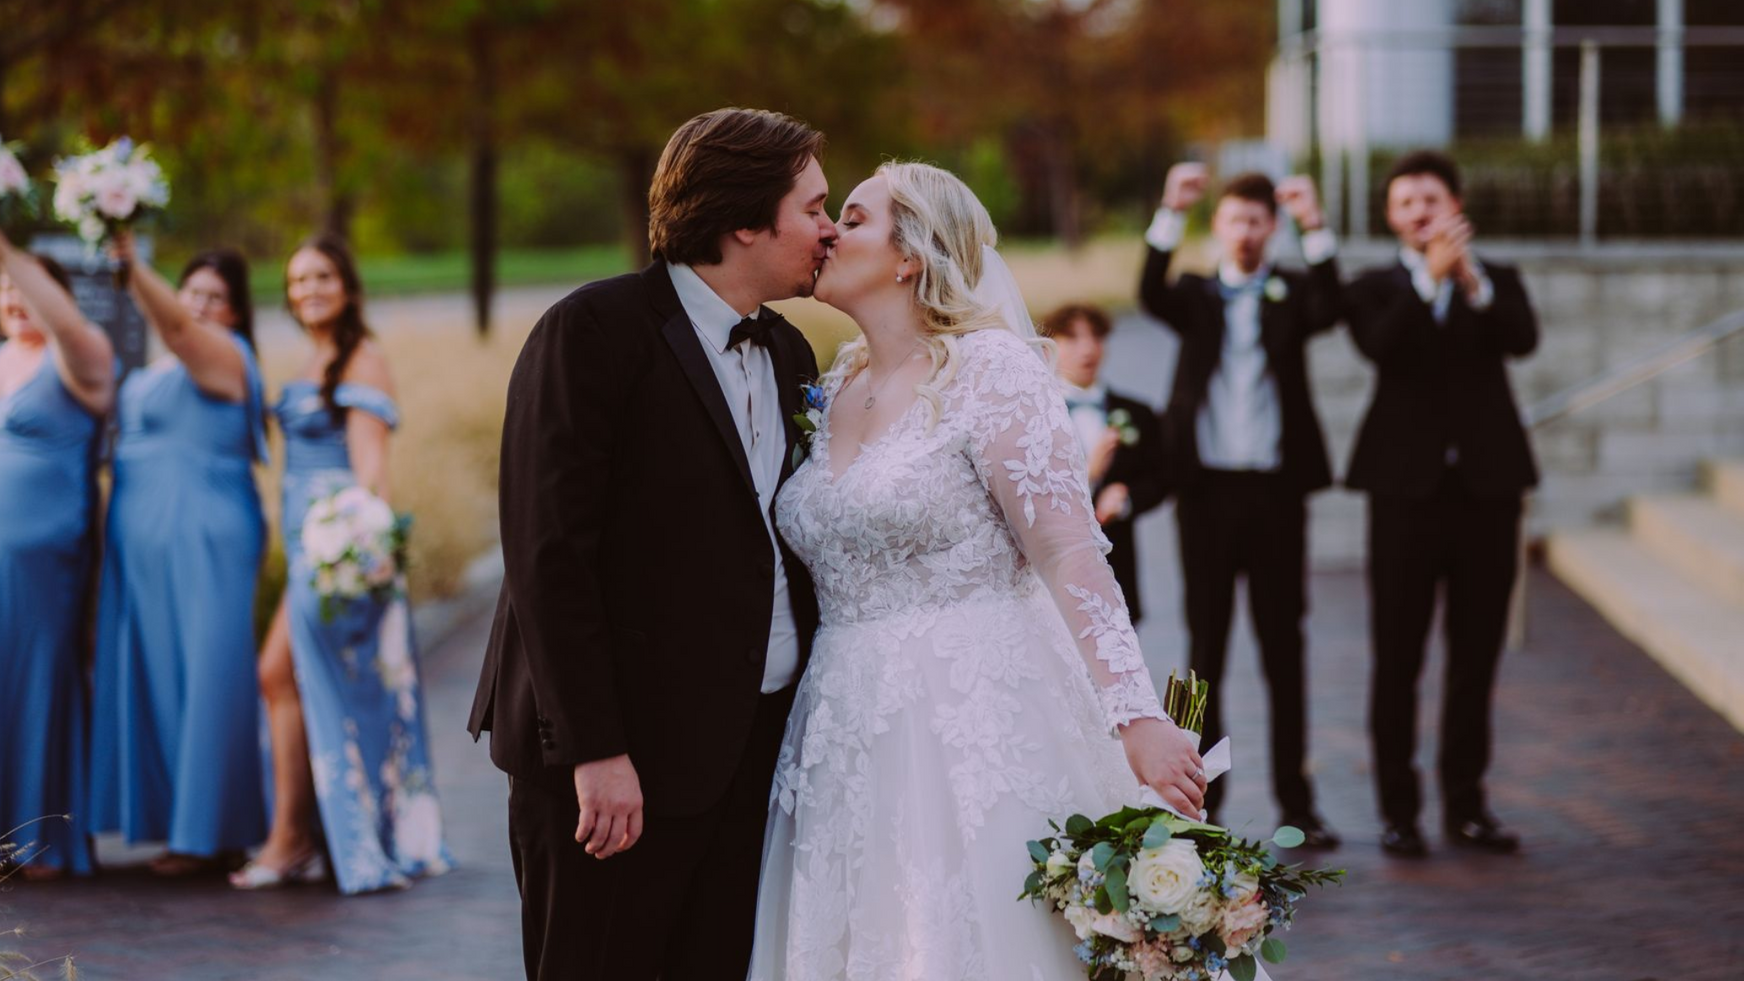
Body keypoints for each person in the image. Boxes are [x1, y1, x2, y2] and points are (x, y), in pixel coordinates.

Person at [749, 161, 1206, 978]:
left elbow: (1068, 549)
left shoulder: (990, 370)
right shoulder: (837, 378)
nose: (826, 231)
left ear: (910, 254)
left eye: (851, 218)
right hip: (843, 727)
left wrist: (1134, 713)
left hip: (979, 713)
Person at [468, 107, 830, 981]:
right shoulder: (591, 333)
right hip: (612, 767)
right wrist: (595, 748)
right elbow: (548, 554)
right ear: (746, 221)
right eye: (814, 207)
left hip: (745, 755)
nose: (829, 228)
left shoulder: (790, 353)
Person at [234, 233, 451, 893]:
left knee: (277, 674)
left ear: (349, 287)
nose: (308, 290)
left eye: (322, 277)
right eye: (298, 281)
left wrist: (352, 553)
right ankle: (304, 834)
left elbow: (371, 475)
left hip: (336, 552)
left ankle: (289, 839)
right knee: (286, 680)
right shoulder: (314, 356)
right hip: (306, 546)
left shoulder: (361, 357)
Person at [1137, 166, 1341, 845]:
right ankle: (1198, 801)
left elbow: (1332, 306)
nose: (1247, 232)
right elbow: (1147, 293)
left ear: (1270, 228)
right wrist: (1170, 211)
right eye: (1235, 220)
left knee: (1285, 647)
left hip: (1277, 493)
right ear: (1218, 227)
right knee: (1204, 651)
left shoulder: (1294, 293)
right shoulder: (1195, 295)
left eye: (1258, 221)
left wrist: (1316, 224)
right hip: (1207, 494)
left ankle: (1298, 800)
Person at [1345, 150, 1538, 858]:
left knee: (1476, 655)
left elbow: (1521, 338)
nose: (1420, 211)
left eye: (1431, 198)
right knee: (1398, 655)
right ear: (1392, 218)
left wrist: (1470, 281)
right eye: (1406, 203)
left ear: (1455, 204)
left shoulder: (1499, 281)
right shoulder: (1373, 287)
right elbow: (1383, 349)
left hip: (1488, 492)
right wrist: (1427, 281)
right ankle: (1399, 810)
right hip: (1403, 497)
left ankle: (1467, 805)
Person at [90, 233, 268, 876]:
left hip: (207, 532)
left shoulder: (225, 355)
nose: (198, 305)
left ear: (237, 313)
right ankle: (178, 826)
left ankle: (211, 833)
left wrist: (131, 264)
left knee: (209, 674)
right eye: (193, 291)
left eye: (216, 298)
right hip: (140, 539)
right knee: (160, 675)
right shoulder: (153, 368)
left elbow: (174, 327)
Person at [0, 231, 115, 879]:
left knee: (40, 682)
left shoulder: (79, 359)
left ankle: (40, 838)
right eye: (6, 288)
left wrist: (6, 240)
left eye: (29, 288)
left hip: (48, 562)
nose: (16, 298)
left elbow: (66, 327)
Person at [1039, 302, 1168, 622]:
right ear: (1048, 348)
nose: (1088, 349)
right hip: (1053, 576)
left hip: (1117, 569)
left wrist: (1127, 498)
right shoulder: (1035, 416)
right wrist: (1090, 473)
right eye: (1072, 337)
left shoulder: (1136, 412)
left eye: (1096, 337)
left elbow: (1162, 476)